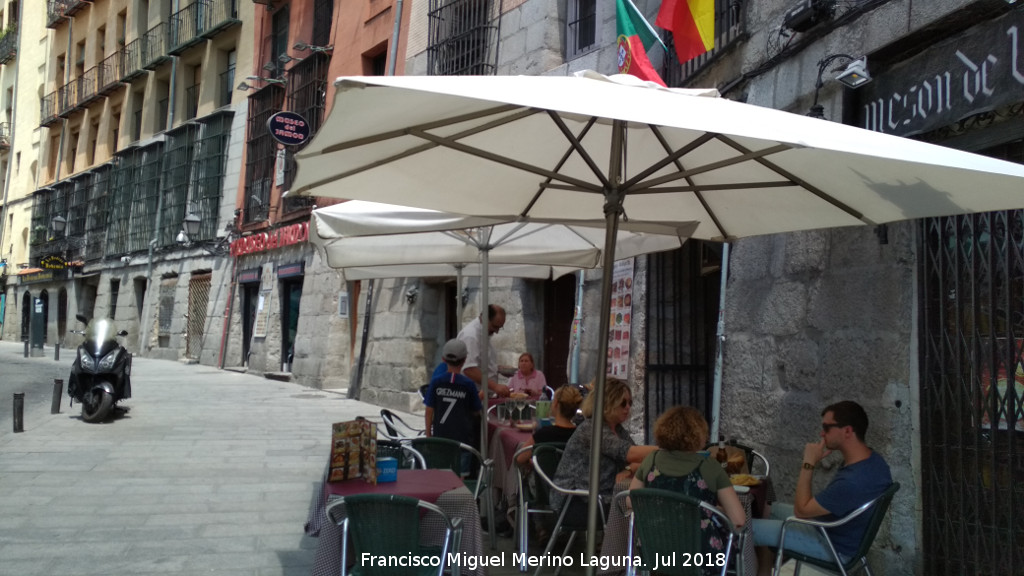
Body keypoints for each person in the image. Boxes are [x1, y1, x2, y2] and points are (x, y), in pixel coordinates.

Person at [753, 401, 893, 576]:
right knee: (767, 507)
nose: (821, 433)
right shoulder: (874, 462)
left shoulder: (853, 481)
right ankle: (764, 571)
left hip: (832, 546)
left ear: (847, 431)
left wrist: (808, 463)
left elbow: (801, 511)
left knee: (747, 527)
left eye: (827, 428)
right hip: (834, 531)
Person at [628, 406, 746, 563]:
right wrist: (712, 509)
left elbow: (630, 501)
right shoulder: (710, 466)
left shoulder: (652, 460)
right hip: (701, 556)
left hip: (655, 551)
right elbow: (738, 520)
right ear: (698, 434)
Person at [548, 378, 657, 520]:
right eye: (623, 403)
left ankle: (626, 541)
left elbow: (638, 459)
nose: (628, 407)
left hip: (597, 497)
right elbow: (630, 453)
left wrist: (628, 469)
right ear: (608, 403)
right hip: (574, 500)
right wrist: (669, 449)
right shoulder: (593, 428)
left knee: (639, 503)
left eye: (630, 403)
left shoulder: (617, 429)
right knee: (640, 505)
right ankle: (626, 541)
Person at [431, 304, 510, 398]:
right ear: (484, 318)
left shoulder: (484, 333)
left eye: (500, 327)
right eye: (494, 326)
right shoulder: (471, 336)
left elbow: (479, 362)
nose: (497, 331)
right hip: (473, 392)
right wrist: (495, 386)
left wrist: (497, 368)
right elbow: (469, 369)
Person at [423, 339, 483, 446]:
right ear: (464, 360)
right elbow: (475, 411)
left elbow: (429, 410)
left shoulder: (436, 382)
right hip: (462, 440)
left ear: (443, 359)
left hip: (440, 437)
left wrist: (428, 435)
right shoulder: (468, 384)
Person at [515, 385, 584, 466]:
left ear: (556, 404)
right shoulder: (580, 435)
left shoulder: (544, 434)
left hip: (544, 477)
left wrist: (536, 463)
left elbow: (519, 458)